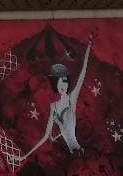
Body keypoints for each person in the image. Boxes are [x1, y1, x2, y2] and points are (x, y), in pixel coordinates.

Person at [20, 33, 95, 162]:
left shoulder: (72, 98)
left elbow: (83, 72)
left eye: (65, 81)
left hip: (81, 152)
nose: (63, 85)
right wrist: (25, 156)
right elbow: (44, 137)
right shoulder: (53, 106)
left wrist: (89, 45)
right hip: (74, 156)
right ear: (55, 83)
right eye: (60, 81)